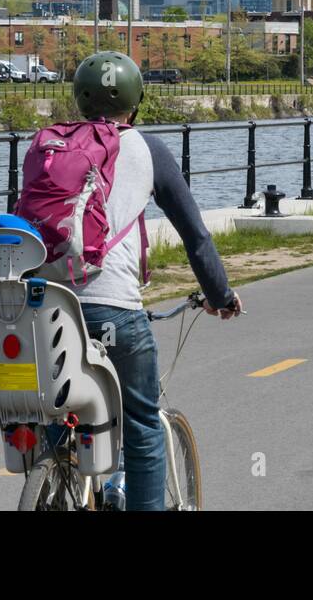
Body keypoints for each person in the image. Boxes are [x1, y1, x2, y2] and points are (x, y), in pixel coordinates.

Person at [45, 51, 241, 511]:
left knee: (57, 413)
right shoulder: (147, 149)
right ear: (136, 104)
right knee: (143, 423)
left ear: (79, 101)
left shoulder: (51, 147)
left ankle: (55, 470)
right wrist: (221, 295)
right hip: (114, 308)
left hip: (48, 305)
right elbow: (195, 235)